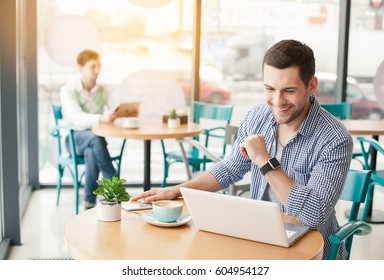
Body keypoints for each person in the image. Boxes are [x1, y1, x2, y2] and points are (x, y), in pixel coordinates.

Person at [131, 39, 353, 260]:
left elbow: (313, 214)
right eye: (269, 89)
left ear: (312, 85)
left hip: (310, 249)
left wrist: (265, 162)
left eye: (289, 90)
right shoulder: (257, 117)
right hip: (260, 236)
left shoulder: (335, 139)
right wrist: (178, 190)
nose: (277, 101)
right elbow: (229, 169)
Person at [60, 50, 119, 210]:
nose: (97, 70)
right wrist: (102, 118)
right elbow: (78, 119)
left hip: (95, 142)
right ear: (80, 67)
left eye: (99, 66)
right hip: (74, 140)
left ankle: (89, 204)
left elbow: (114, 108)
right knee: (95, 139)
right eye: (93, 67)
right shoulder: (68, 90)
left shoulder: (104, 88)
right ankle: (113, 183)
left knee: (92, 152)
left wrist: (118, 113)